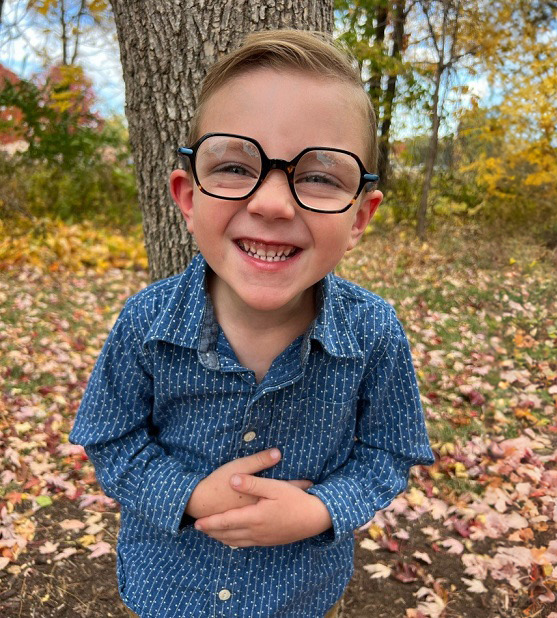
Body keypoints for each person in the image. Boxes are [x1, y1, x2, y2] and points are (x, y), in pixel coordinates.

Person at [69, 29, 434, 617]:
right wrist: (187, 494)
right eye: (237, 166)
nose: (272, 203)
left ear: (361, 216)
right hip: (168, 591)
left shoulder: (374, 334)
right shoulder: (146, 323)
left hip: (298, 597)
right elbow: (110, 437)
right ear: (187, 196)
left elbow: (387, 454)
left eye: (319, 176)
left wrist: (321, 510)